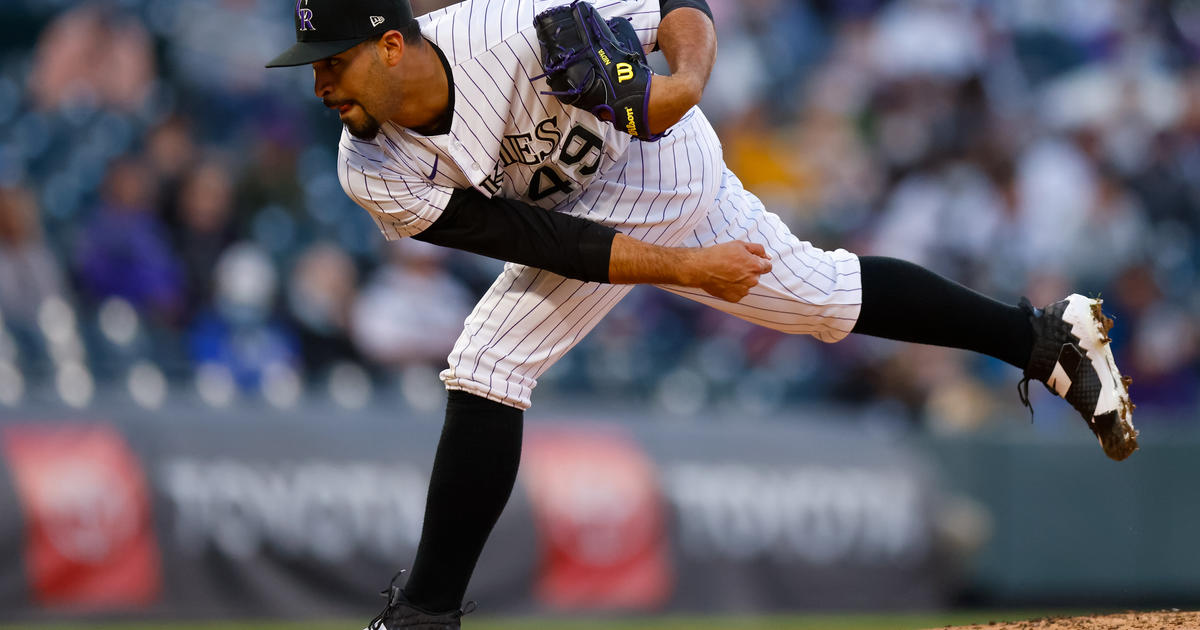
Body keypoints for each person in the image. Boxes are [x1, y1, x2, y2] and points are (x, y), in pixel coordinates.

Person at [265, 1, 1137, 628]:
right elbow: (544, 242)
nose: (319, 87)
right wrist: (688, 269)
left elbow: (681, 4)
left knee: (490, 362)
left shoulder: (511, 27)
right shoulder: (369, 169)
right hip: (579, 217)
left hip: (658, 166)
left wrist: (679, 84)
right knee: (823, 296)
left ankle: (426, 613)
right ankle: (1044, 340)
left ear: (390, 45)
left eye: (331, 62)